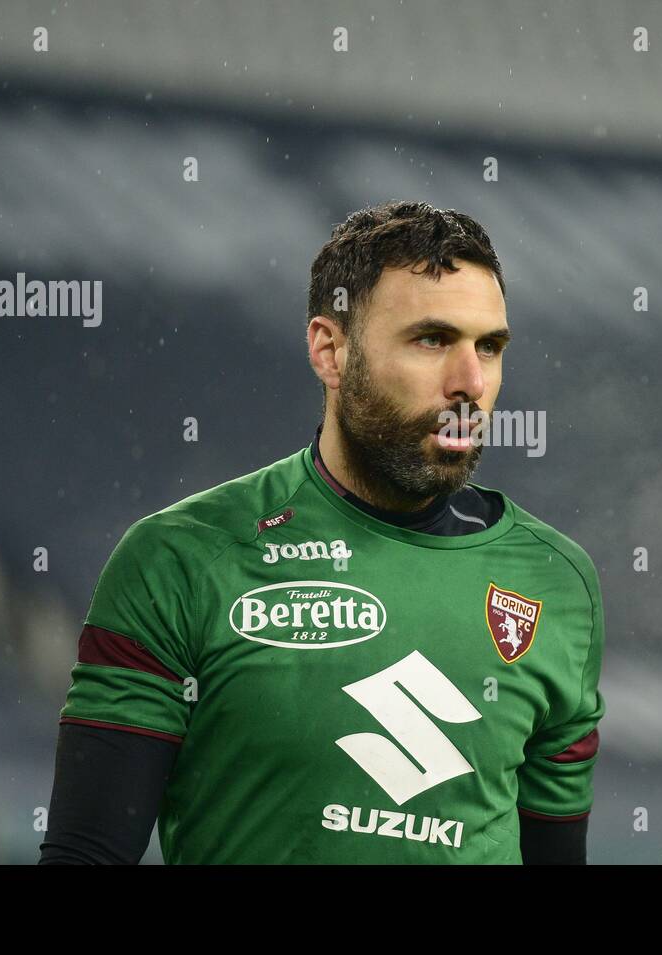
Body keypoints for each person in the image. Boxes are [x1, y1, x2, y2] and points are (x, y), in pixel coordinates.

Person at [39, 200, 605, 864]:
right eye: (432, 339)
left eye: (489, 346)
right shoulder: (182, 559)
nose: (470, 383)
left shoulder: (556, 585)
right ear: (329, 351)